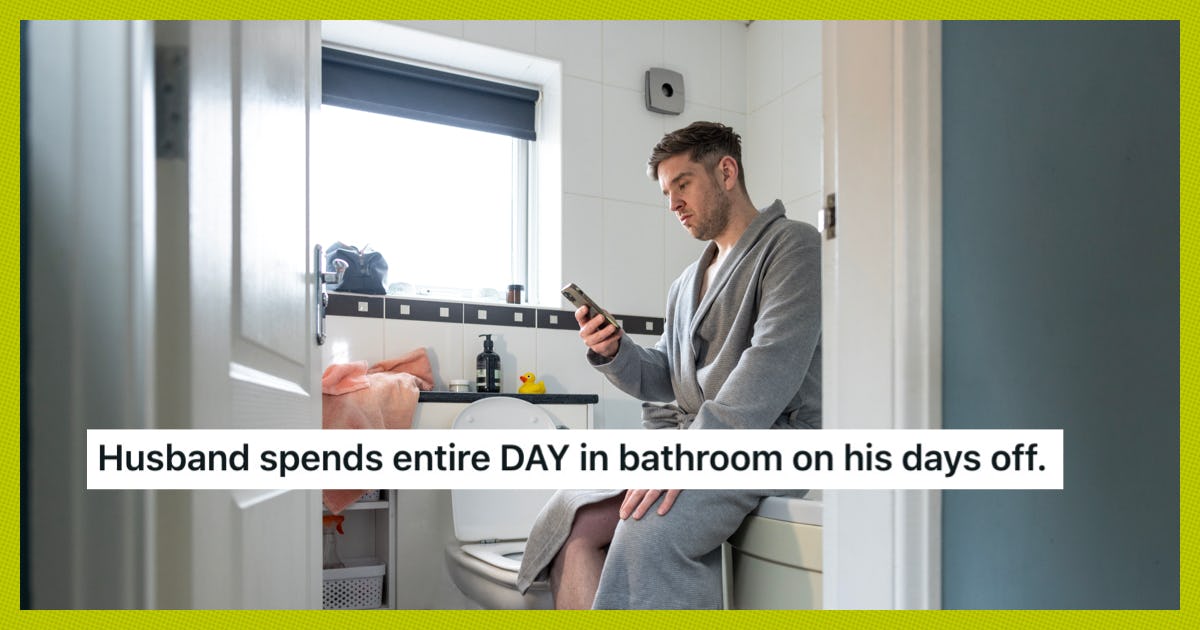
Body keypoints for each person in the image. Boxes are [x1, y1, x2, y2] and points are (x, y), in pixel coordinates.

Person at [515, 121, 822, 609]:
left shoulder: (792, 246)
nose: (673, 203)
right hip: (694, 443)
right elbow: (668, 377)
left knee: (645, 532)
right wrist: (616, 352)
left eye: (683, 184)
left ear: (726, 172)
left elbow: (772, 364)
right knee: (571, 524)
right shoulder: (686, 283)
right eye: (666, 192)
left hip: (767, 440)